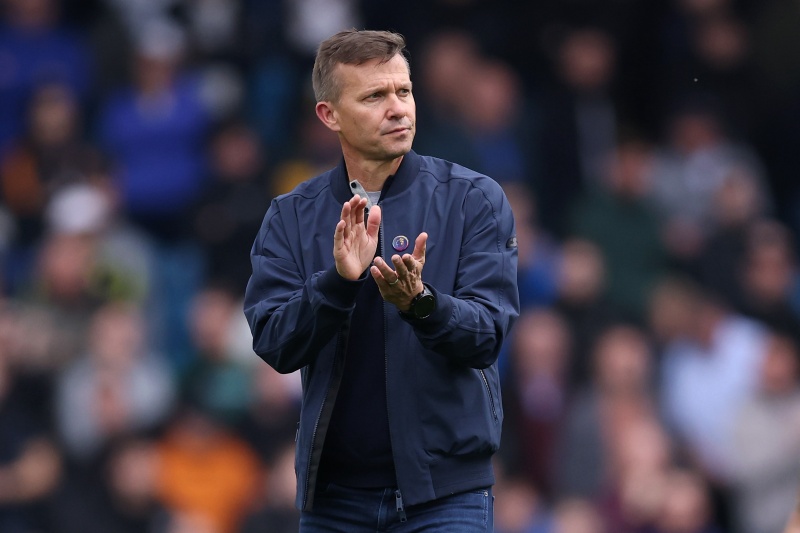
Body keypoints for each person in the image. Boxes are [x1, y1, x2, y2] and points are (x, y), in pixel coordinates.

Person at [243, 29, 520, 532]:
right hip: (334, 503)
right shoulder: (290, 216)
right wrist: (337, 285)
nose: (397, 109)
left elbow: (488, 335)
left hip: (446, 497)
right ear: (329, 115)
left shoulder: (474, 199)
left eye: (404, 91)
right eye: (374, 96)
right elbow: (275, 342)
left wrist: (421, 303)